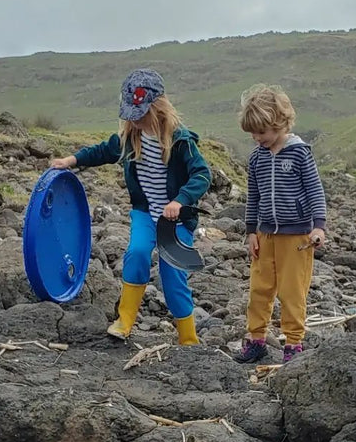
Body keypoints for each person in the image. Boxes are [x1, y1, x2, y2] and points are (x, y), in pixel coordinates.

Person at [50, 68, 211, 345]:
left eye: (140, 114)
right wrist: (71, 160)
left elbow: (202, 174)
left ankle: (188, 338)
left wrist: (180, 200)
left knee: (173, 273)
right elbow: (101, 151)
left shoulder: (180, 140)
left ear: (157, 108)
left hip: (176, 220)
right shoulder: (128, 139)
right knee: (136, 253)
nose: (134, 121)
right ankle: (125, 321)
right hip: (145, 214)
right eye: (131, 115)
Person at [234, 84, 327, 364]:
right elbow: (254, 196)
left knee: (292, 292)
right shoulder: (257, 158)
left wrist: (319, 226)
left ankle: (294, 345)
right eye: (252, 133)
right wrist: (251, 232)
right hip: (265, 235)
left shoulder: (300, 153)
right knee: (259, 290)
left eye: (261, 132)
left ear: (279, 124)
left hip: (297, 237)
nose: (256, 138)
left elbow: (315, 190)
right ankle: (256, 340)